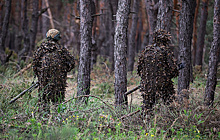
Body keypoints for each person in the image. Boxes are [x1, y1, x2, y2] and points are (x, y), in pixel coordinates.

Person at [137, 29, 178, 114]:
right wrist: (172, 72)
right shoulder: (166, 52)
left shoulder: (146, 51)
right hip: (163, 85)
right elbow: (173, 71)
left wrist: (147, 78)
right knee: (170, 104)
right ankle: (171, 121)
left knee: (147, 107)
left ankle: (145, 123)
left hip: (147, 85)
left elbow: (139, 69)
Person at [33, 29, 75, 103]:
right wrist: (63, 71)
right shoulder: (61, 50)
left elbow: (35, 65)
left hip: (44, 82)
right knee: (58, 103)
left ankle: (44, 114)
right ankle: (57, 114)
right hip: (59, 82)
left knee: (44, 102)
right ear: (58, 38)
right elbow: (72, 63)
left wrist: (40, 76)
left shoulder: (41, 49)